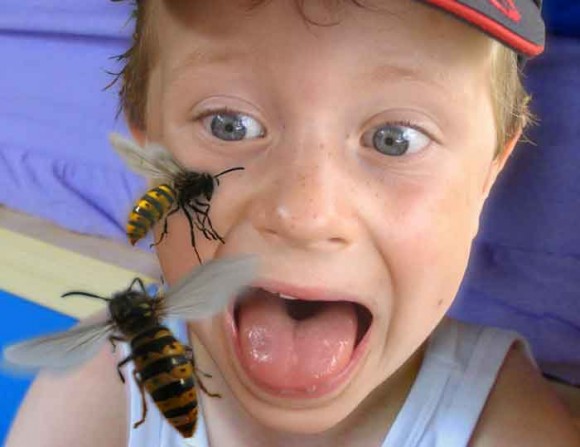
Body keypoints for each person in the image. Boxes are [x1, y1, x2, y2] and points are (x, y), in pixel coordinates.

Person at [6, 1, 580, 446]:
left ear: (487, 175)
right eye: (229, 125)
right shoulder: (99, 388)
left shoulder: (507, 427)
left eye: (395, 140)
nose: (305, 215)